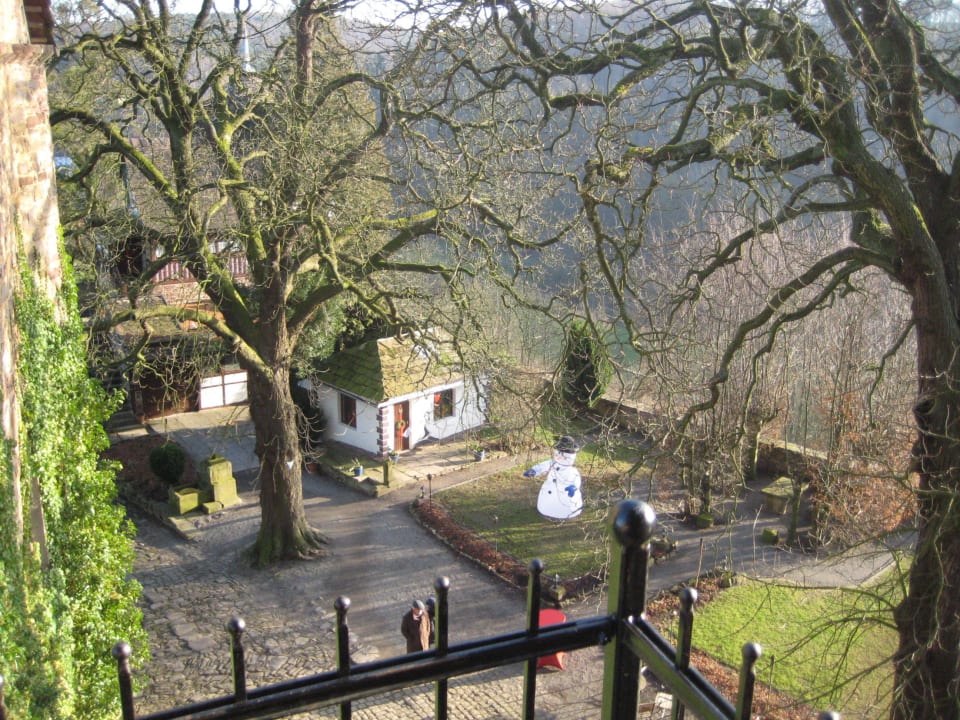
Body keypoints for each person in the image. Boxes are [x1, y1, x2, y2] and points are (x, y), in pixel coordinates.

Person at [523, 435, 583, 520]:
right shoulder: (552, 463)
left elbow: (576, 480)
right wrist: (534, 470)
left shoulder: (572, 471)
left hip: (566, 495)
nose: (559, 457)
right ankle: (546, 511)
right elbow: (543, 466)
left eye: (564, 456)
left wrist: (573, 488)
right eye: (557, 454)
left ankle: (564, 514)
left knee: (566, 504)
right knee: (548, 502)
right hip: (549, 492)